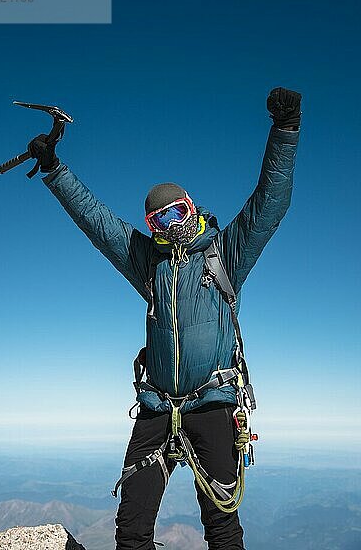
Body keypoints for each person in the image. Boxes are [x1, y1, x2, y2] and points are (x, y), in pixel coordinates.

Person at [28, 87, 301, 550]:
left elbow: (269, 203)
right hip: (156, 408)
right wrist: (54, 170)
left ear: (192, 209)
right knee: (132, 528)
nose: (168, 225)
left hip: (213, 405)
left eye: (175, 213)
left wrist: (285, 130)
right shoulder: (148, 265)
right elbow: (97, 221)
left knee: (221, 527)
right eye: (157, 220)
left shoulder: (224, 256)